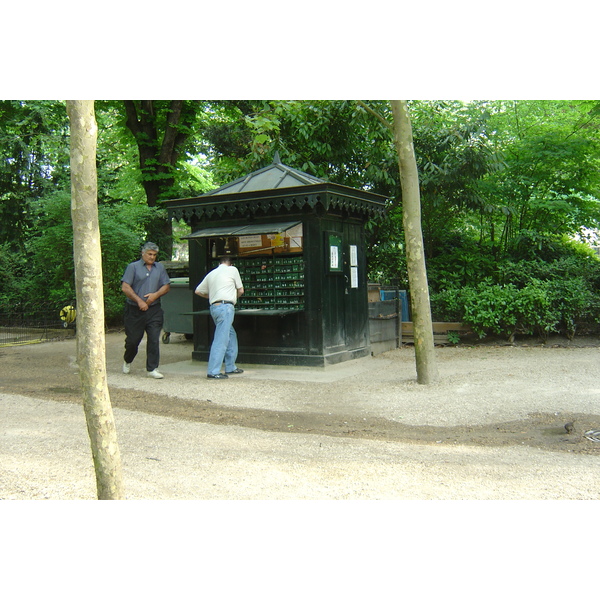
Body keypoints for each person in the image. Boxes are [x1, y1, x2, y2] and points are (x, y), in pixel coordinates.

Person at [121, 242, 171, 379]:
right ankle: (128, 360)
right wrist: (139, 301)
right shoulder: (133, 267)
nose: (152, 257)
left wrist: (155, 295)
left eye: (154, 255)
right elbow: (125, 287)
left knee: (154, 339)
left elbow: (166, 286)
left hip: (154, 309)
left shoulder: (159, 267)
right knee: (133, 340)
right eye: (149, 254)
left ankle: (152, 368)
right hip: (134, 309)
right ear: (143, 254)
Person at [195, 255, 244, 379]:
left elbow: (198, 291)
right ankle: (213, 371)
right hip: (226, 307)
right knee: (221, 339)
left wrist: (212, 297)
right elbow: (241, 290)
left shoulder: (212, 273)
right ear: (231, 264)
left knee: (230, 334)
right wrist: (233, 297)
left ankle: (230, 366)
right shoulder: (233, 270)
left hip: (214, 308)